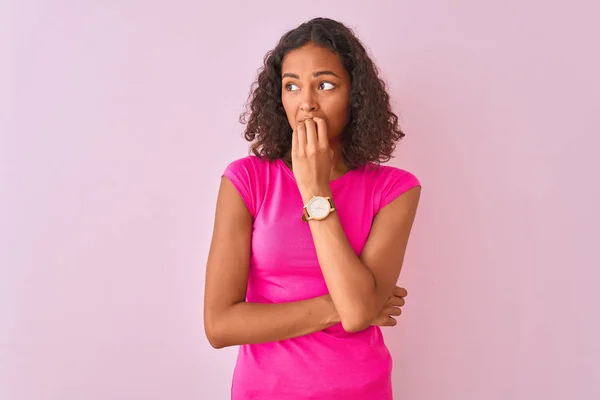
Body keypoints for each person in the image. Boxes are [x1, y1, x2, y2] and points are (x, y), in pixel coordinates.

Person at [204, 17, 422, 400]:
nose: (306, 102)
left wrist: (314, 189)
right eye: (292, 86)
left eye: (325, 85)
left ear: (354, 96)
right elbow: (220, 325)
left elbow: (358, 316)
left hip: (360, 389)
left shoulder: (395, 189)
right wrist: (340, 304)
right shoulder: (246, 181)